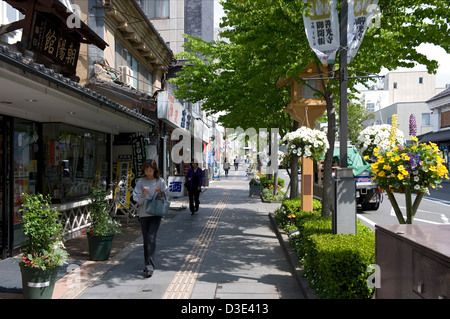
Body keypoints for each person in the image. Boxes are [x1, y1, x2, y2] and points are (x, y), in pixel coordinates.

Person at [133, 159, 168, 278]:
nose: (148, 173)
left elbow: (166, 198)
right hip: (143, 214)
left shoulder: (160, 181)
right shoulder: (140, 182)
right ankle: (147, 264)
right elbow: (137, 200)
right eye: (146, 170)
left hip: (156, 214)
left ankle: (149, 266)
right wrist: (143, 194)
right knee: (146, 239)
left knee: (151, 238)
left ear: (154, 170)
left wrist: (160, 192)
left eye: (150, 170)